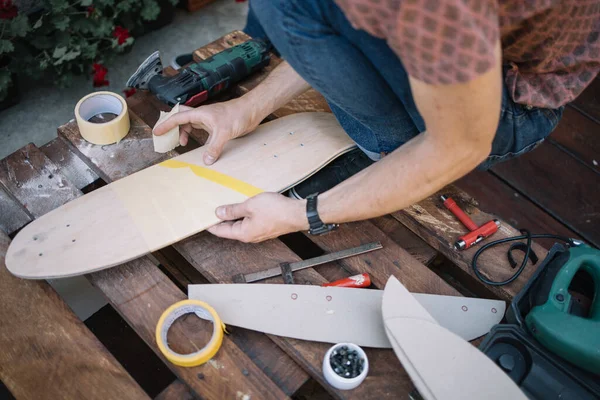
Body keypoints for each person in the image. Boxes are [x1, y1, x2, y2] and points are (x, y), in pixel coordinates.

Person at [154, 0, 600, 243]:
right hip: (469, 51)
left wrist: (299, 214)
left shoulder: (436, 10)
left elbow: (461, 145)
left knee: (283, 8)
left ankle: (385, 152)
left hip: (509, 110)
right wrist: (247, 107)